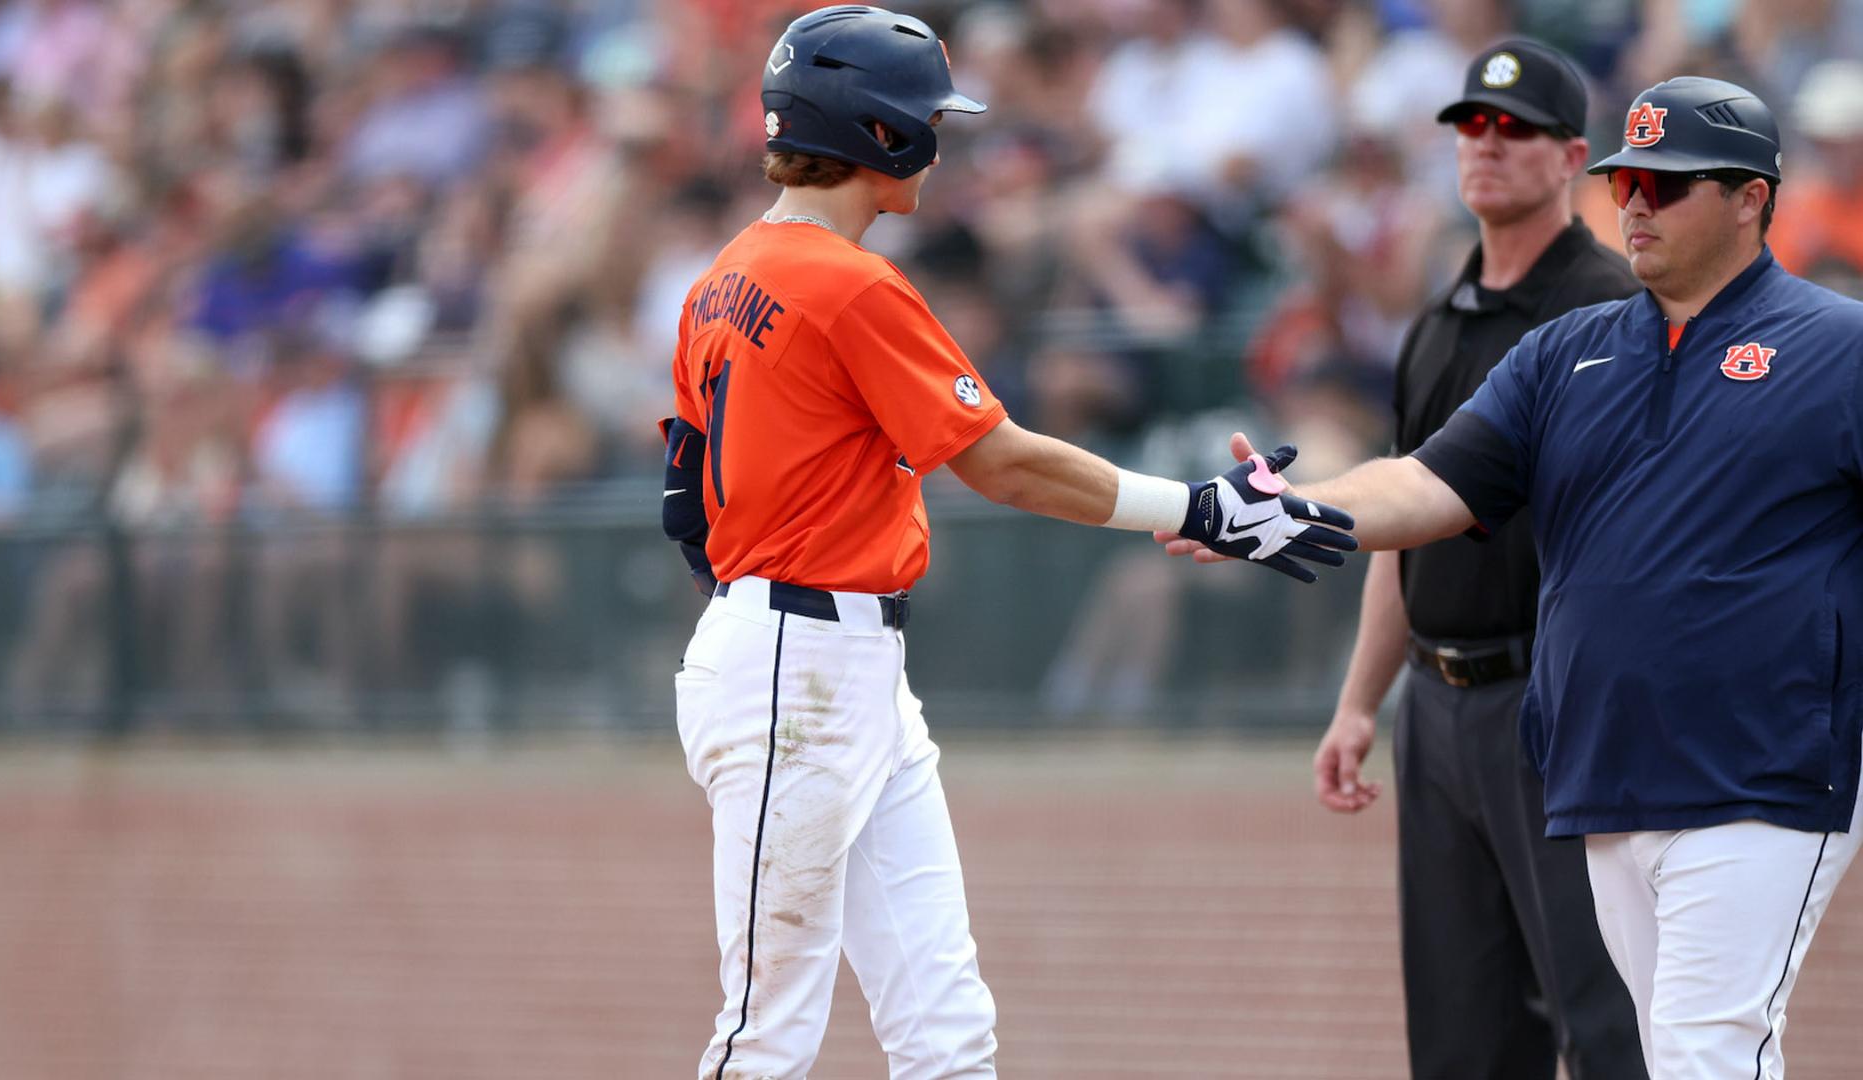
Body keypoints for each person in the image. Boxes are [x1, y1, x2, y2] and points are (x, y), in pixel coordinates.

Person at [660, 8, 1357, 1077]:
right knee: (766, 1036)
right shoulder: (847, 281)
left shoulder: (726, 275)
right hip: (798, 667)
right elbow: (1003, 463)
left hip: (824, 660)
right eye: (927, 120)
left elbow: (686, 502)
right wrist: (1196, 508)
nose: (938, 142)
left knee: (946, 1032)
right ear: (879, 132)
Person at [1164, 75, 1863, 1078]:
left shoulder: (1838, 348)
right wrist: (1293, 508)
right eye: (1626, 182)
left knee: (1708, 1046)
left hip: (1764, 765)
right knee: (1665, 1052)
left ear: (1751, 197)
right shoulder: (1566, 352)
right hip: (1606, 766)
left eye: (1666, 185)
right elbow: (1424, 484)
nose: (1634, 204)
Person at [1312, 41, 1646, 1080]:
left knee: (1604, 1017)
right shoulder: (1436, 320)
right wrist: (1360, 703)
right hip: (1436, 708)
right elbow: (1401, 522)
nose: (1485, 145)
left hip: (1555, 703)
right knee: (1461, 1032)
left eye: (1514, 129)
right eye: (1471, 125)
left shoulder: (1607, 309)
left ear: (1573, 156)